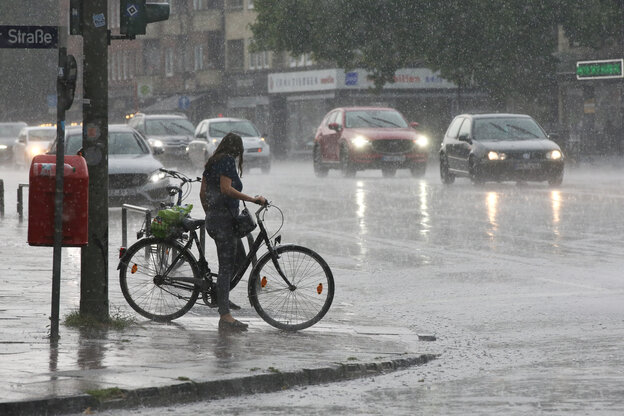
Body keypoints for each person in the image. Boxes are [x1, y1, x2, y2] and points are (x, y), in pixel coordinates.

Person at [199, 132, 267, 332]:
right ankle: (225, 316)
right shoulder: (227, 161)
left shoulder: (212, 161)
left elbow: (203, 192)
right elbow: (226, 189)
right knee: (226, 267)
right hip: (224, 222)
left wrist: (210, 213)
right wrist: (252, 199)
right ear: (237, 148)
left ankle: (222, 298)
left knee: (239, 259)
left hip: (216, 219)